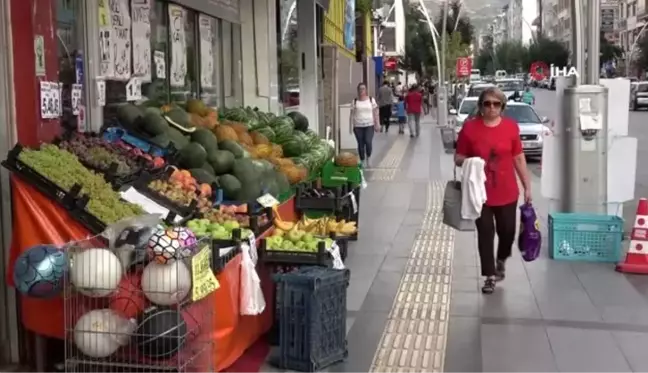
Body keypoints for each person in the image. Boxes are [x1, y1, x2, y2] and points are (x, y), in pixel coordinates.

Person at [454, 87, 532, 294]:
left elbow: (518, 157)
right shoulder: (469, 129)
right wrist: (471, 161)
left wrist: (527, 186)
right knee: (485, 233)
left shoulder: (511, 128)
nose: (492, 108)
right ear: (480, 106)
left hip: (507, 191)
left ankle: (501, 259)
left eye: (496, 104)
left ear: (502, 106)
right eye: (487, 103)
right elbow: (458, 157)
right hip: (480, 193)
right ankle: (489, 275)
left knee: (507, 232)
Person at [350, 82, 380, 167]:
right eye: (360, 89)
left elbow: (375, 111)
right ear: (357, 90)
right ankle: (362, 159)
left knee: (368, 141)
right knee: (360, 144)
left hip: (369, 125)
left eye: (363, 89)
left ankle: (369, 157)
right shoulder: (355, 101)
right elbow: (351, 114)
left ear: (366, 90)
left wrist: (377, 123)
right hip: (358, 126)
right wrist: (350, 126)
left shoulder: (371, 100)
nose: (361, 91)